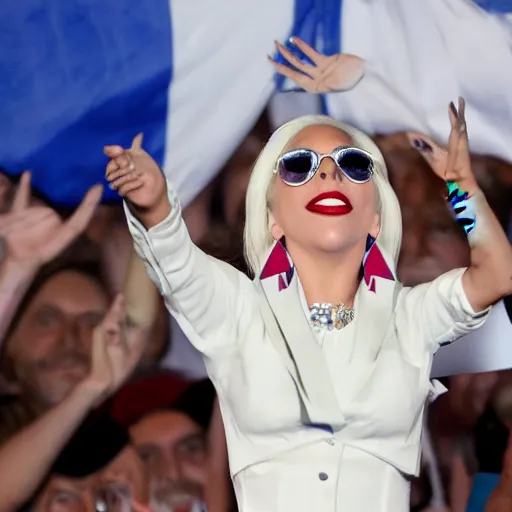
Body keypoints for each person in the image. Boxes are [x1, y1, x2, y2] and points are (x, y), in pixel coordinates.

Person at [103, 68, 512, 511]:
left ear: (375, 217)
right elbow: (176, 260)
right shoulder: (239, 313)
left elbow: (495, 276)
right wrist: (156, 204)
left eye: (353, 166)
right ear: (272, 219)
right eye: (299, 167)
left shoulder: (409, 319)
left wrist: (462, 188)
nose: (329, 175)